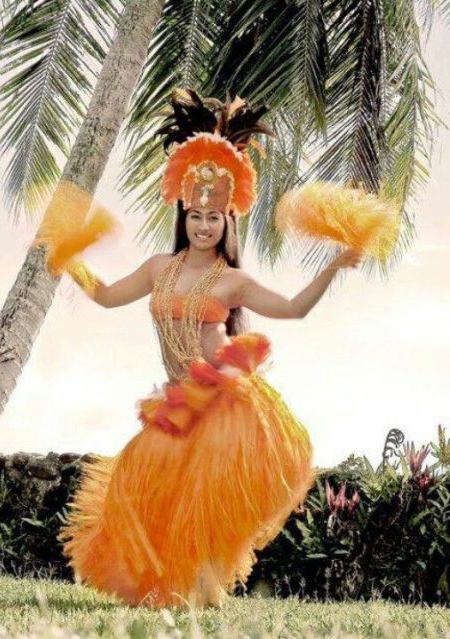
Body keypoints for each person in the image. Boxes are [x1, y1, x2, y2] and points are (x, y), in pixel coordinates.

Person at [51, 89, 366, 610]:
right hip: (179, 402)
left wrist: (332, 267)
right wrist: (71, 260)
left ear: (227, 221)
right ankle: (179, 590)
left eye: (213, 217)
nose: (203, 225)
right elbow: (107, 297)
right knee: (141, 485)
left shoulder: (231, 280)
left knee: (208, 499)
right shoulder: (158, 268)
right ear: (183, 214)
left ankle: (201, 589)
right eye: (195, 215)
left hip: (223, 400)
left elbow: (293, 308)